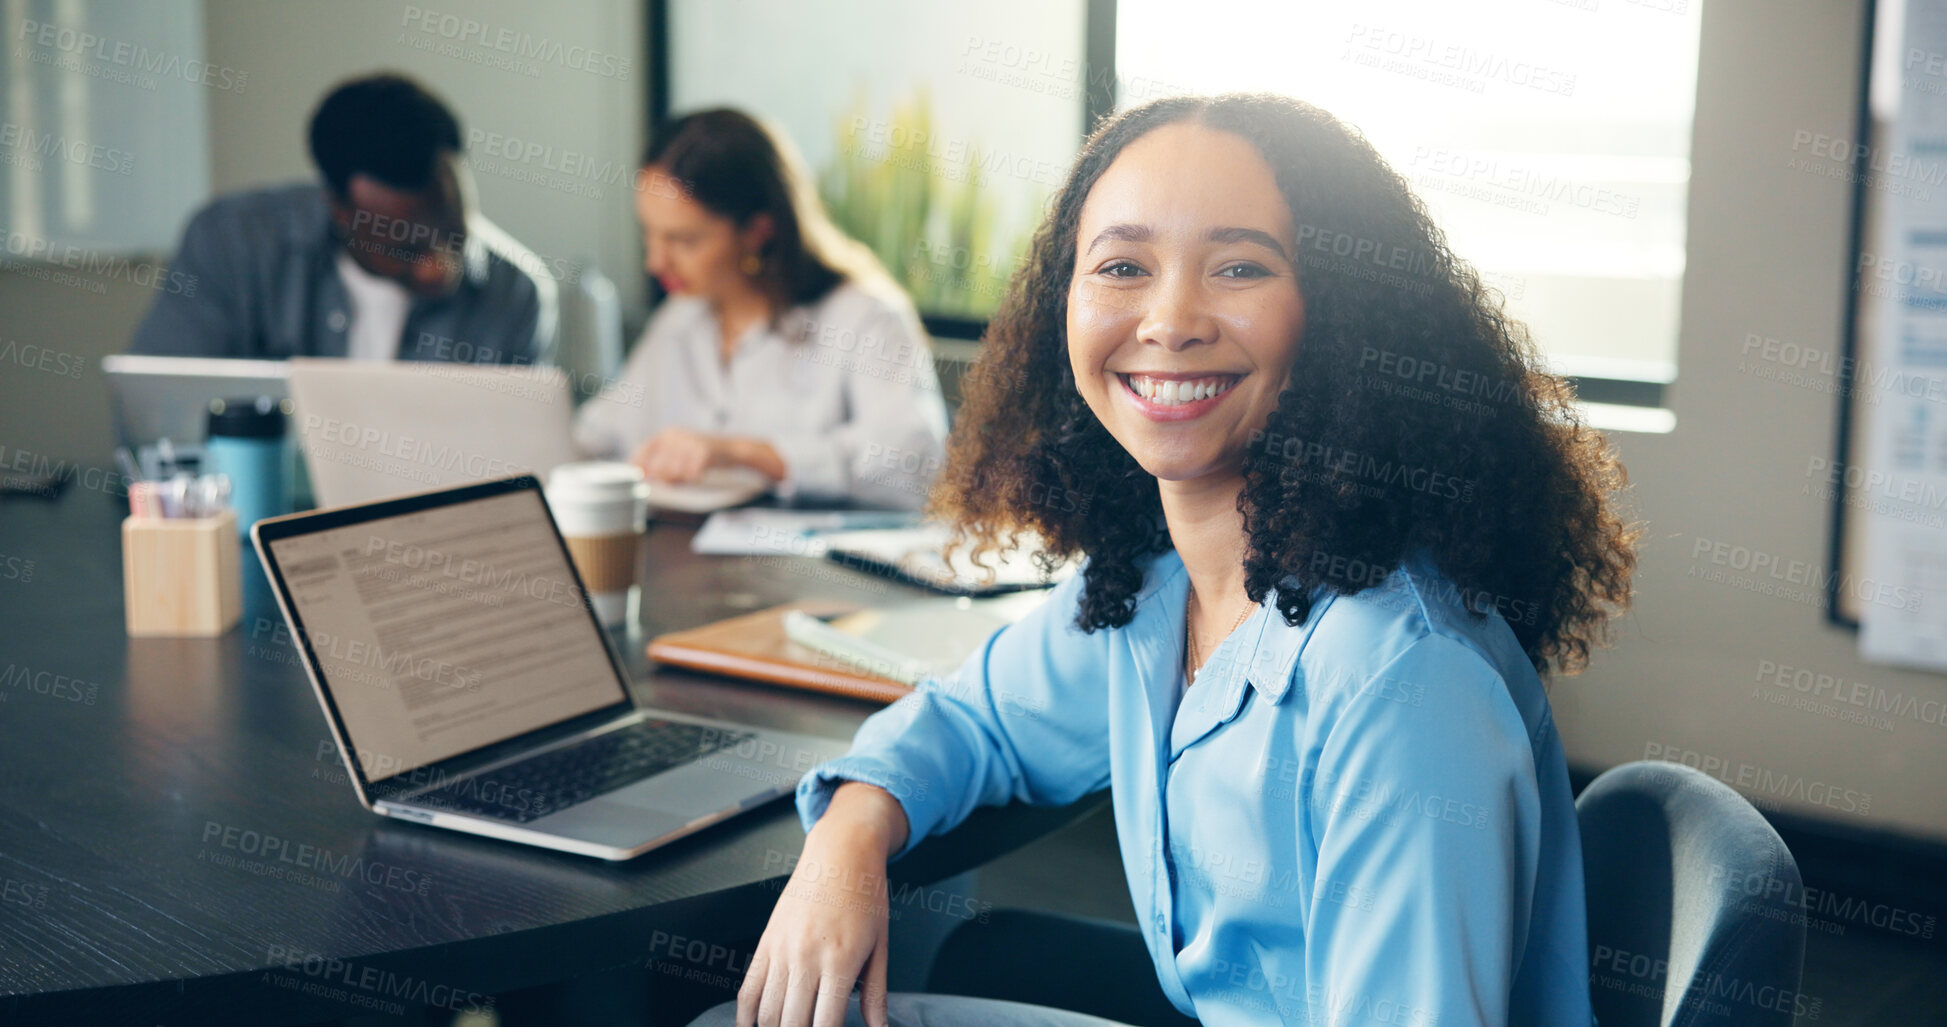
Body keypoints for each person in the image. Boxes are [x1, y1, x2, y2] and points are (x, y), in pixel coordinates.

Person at [696, 93, 1638, 1027]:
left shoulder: (1404, 684)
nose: (1170, 317)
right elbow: (972, 723)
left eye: (1238, 266)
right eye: (1121, 266)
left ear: (1346, 317)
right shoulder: (1154, 587)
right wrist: (846, 843)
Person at [573, 109, 948, 509]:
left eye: (683, 241)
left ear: (758, 231)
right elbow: (600, 435)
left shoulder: (865, 316)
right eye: (649, 233)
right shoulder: (680, 318)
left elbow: (917, 463)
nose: (656, 263)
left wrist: (745, 453)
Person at [130, 73, 555, 365]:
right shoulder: (230, 244)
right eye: (406, 249)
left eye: (455, 238)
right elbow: (159, 421)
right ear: (338, 210)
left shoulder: (517, 292)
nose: (435, 267)